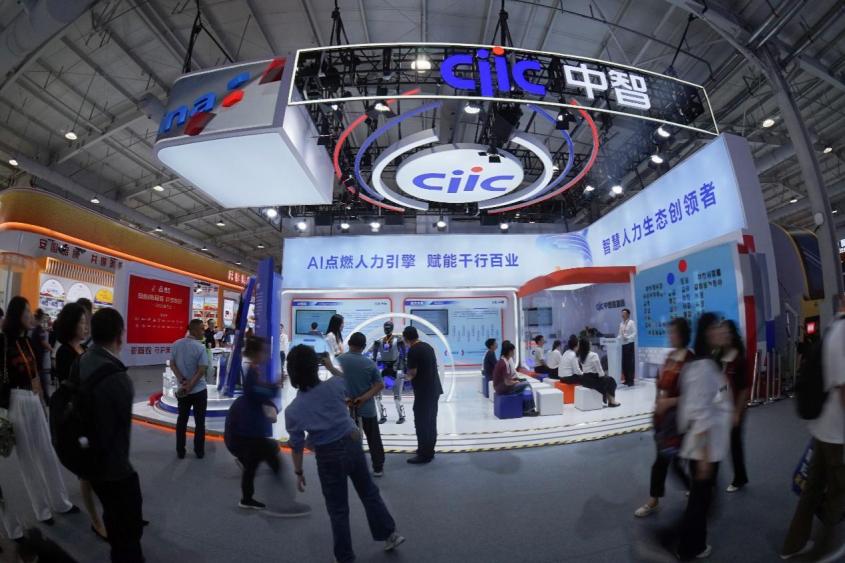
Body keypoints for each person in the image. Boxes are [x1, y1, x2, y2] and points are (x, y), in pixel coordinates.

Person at [285, 344, 405, 563]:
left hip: (327, 456)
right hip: (352, 443)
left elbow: (296, 445)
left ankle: (345, 557)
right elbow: (344, 382)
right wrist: (331, 367)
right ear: (315, 366)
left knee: (338, 509)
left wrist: (299, 472)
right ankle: (390, 534)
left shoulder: (293, 410)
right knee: (369, 492)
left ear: (291, 373)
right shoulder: (335, 384)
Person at [0, 297, 76, 525]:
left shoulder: (28, 341)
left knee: (46, 451)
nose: (30, 315)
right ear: (17, 315)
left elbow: (36, 373)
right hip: (15, 400)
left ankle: (61, 502)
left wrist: (42, 397)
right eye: (26, 311)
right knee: (28, 459)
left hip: (34, 399)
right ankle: (42, 510)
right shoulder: (4, 342)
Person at [78, 308, 144, 563]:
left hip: (86, 456)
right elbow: (119, 432)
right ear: (119, 335)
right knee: (127, 531)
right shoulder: (117, 377)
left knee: (113, 515)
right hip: (113, 467)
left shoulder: (81, 361)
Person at [781, 296, 845, 560]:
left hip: (824, 427)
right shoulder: (842, 331)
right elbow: (843, 387)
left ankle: (793, 544)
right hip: (835, 431)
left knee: (814, 487)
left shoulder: (834, 327)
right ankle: (826, 542)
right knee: (838, 489)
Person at [224, 336, 309, 515]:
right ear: (256, 353)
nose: (266, 355)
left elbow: (257, 392)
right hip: (250, 430)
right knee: (272, 461)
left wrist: (273, 386)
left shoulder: (252, 370)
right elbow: (257, 393)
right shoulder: (251, 371)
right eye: (264, 351)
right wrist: (275, 386)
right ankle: (281, 504)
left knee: (255, 465)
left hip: (250, 429)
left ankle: (249, 499)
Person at [676, 313, 733, 560]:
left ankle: (691, 544)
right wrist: (705, 457)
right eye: (718, 327)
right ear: (708, 332)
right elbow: (699, 414)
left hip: (709, 447)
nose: (724, 331)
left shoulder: (708, 363)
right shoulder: (703, 368)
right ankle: (689, 547)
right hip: (704, 449)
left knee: (702, 499)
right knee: (700, 502)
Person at [53, 302, 107, 541]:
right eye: (82, 322)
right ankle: (96, 522)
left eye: (87, 322)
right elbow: (71, 387)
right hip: (77, 419)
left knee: (94, 469)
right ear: (71, 324)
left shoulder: (84, 349)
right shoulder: (65, 352)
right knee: (86, 473)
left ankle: (105, 515)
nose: (86, 327)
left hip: (91, 415)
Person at [634, 317, 692, 518]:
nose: (670, 336)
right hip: (663, 420)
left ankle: (655, 499)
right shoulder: (670, 357)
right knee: (669, 461)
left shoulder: (690, 360)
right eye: (669, 332)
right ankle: (691, 489)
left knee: (666, 461)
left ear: (683, 334)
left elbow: (693, 395)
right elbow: (660, 384)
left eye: (673, 332)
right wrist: (658, 402)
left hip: (679, 420)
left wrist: (669, 402)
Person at [338, 332, 386, 476]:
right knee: (373, 438)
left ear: (349, 343)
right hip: (367, 409)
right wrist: (363, 398)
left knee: (346, 438)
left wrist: (346, 399)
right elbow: (379, 385)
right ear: (364, 346)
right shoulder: (369, 363)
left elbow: (333, 384)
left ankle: (349, 466)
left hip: (346, 409)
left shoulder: (339, 361)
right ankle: (378, 467)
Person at [403, 326, 443, 464]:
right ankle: (429, 450)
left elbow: (412, 373)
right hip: (434, 389)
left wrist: (404, 378)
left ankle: (423, 454)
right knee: (431, 421)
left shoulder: (413, 350)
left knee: (421, 422)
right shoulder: (428, 347)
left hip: (423, 392)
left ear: (406, 338)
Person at [718, 320, 750, 493]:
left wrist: (738, 412)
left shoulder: (739, 359)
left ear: (732, 335)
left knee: (734, 444)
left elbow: (744, 389)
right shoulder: (718, 356)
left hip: (734, 408)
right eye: (721, 333)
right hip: (720, 407)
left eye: (726, 333)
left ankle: (740, 478)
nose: (723, 336)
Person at [171, 319, 209, 459]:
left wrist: (183, 381)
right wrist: (191, 385)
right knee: (200, 422)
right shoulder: (200, 347)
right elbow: (201, 369)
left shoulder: (176, 344)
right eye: (201, 329)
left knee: (182, 420)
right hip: (199, 391)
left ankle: (180, 451)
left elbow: (172, 364)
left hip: (183, 390)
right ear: (193, 330)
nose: (203, 332)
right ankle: (199, 451)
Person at [370, 321, 406, 424]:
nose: (387, 329)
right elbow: (374, 357)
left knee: (397, 397)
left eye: (389, 327)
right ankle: (382, 416)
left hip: (396, 368)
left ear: (392, 328)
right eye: (385, 327)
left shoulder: (398, 340)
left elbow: (404, 356)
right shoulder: (379, 342)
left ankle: (401, 416)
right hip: (384, 368)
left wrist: (402, 367)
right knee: (377, 396)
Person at [492, 340, 538, 416]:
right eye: (513, 351)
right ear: (509, 352)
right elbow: (507, 382)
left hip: (500, 386)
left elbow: (507, 378)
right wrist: (516, 382)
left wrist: (515, 381)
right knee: (527, 384)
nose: (514, 353)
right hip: (503, 388)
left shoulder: (503, 360)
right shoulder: (504, 363)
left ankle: (527, 408)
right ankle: (529, 409)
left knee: (525, 387)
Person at [578, 337, 620, 407]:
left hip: (585, 380)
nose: (591, 343)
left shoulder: (581, 356)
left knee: (607, 380)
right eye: (589, 342)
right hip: (593, 379)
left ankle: (609, 400)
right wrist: (604, 375)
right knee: (611, 381)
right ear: (587, 345)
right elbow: (600, 371)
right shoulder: (593, 355)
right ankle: (612, 401)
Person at [30, 309, 52, 401]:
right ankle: (46, 398)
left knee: (40, 377)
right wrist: (52, 349)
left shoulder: (37, 329)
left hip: (36, 355)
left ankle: (44, 396)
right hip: (39, 356)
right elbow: (44, 342)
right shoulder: (39, 329)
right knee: (42, 378)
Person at [618, 308, 637, 386]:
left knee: (630, 363)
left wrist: (628, 338)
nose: (623, 315)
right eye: (622, 313)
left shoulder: (631, 322)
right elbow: (619, 334)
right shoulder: (621, 324)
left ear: (628, 315)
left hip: (629, 344)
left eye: (624, 313)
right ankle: (626, 379)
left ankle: (631, 381)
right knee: (624, 363)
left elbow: (634, 333)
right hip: (623, 345)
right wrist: (616, 339)